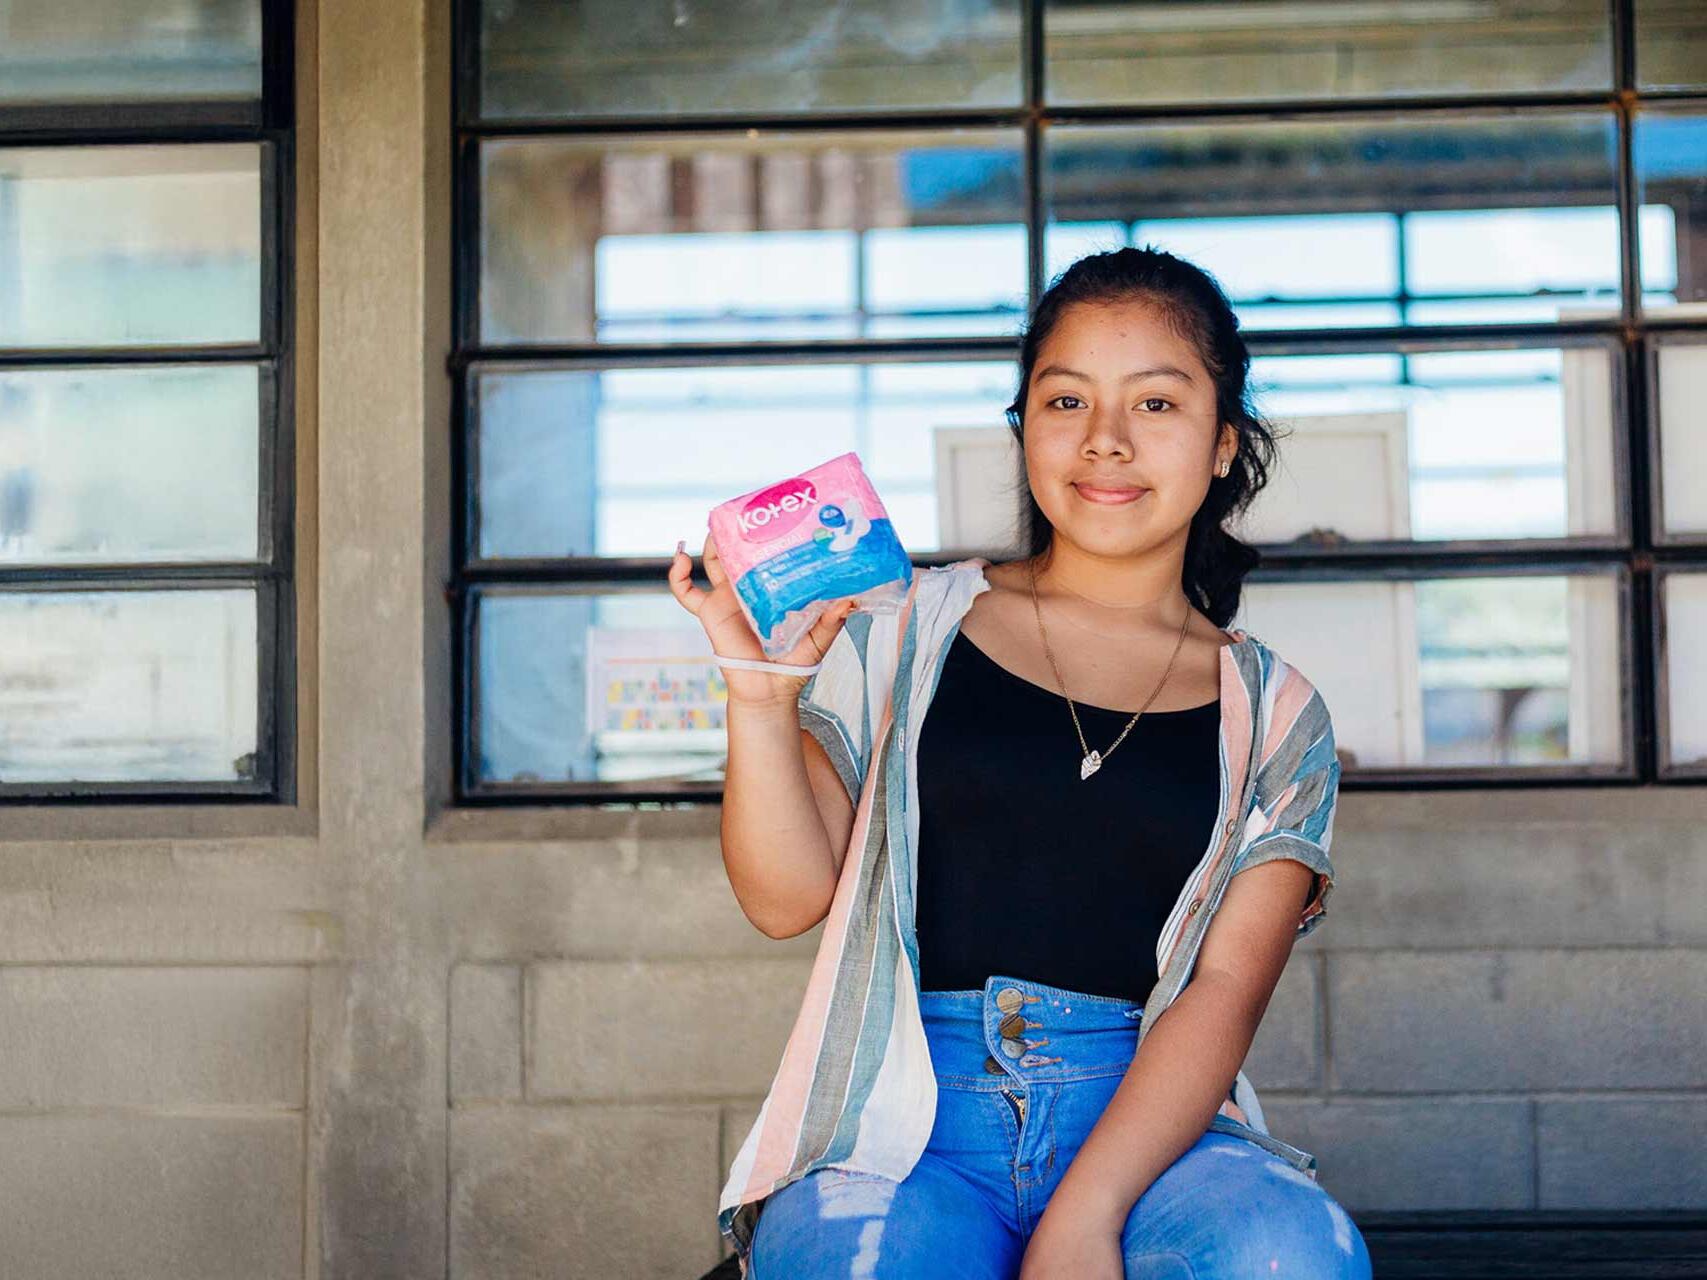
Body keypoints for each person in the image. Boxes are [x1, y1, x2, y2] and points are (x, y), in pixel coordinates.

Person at [668, 246, 1372, 1279]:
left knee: (1289, 1257)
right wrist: (761, 698)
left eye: (1158, 405)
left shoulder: (1277, 712)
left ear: (1224, 443)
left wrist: (1086, 1214)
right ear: (1023, 427)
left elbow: (1222, 990)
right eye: (1065, 399)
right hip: (905, 1128)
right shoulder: (898, 626)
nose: (1106, 441)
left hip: (1152, 1125)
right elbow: (784, 899)